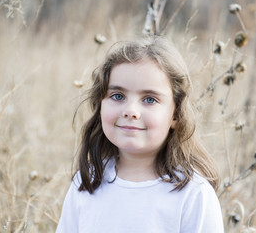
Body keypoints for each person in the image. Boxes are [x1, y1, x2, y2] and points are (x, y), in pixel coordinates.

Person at [56, 36, 224, 233]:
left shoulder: (194, 194)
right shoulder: (86, 184)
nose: (131, 110)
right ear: (100, 106)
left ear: (176, 114)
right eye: (117, 96)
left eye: (150, 99)